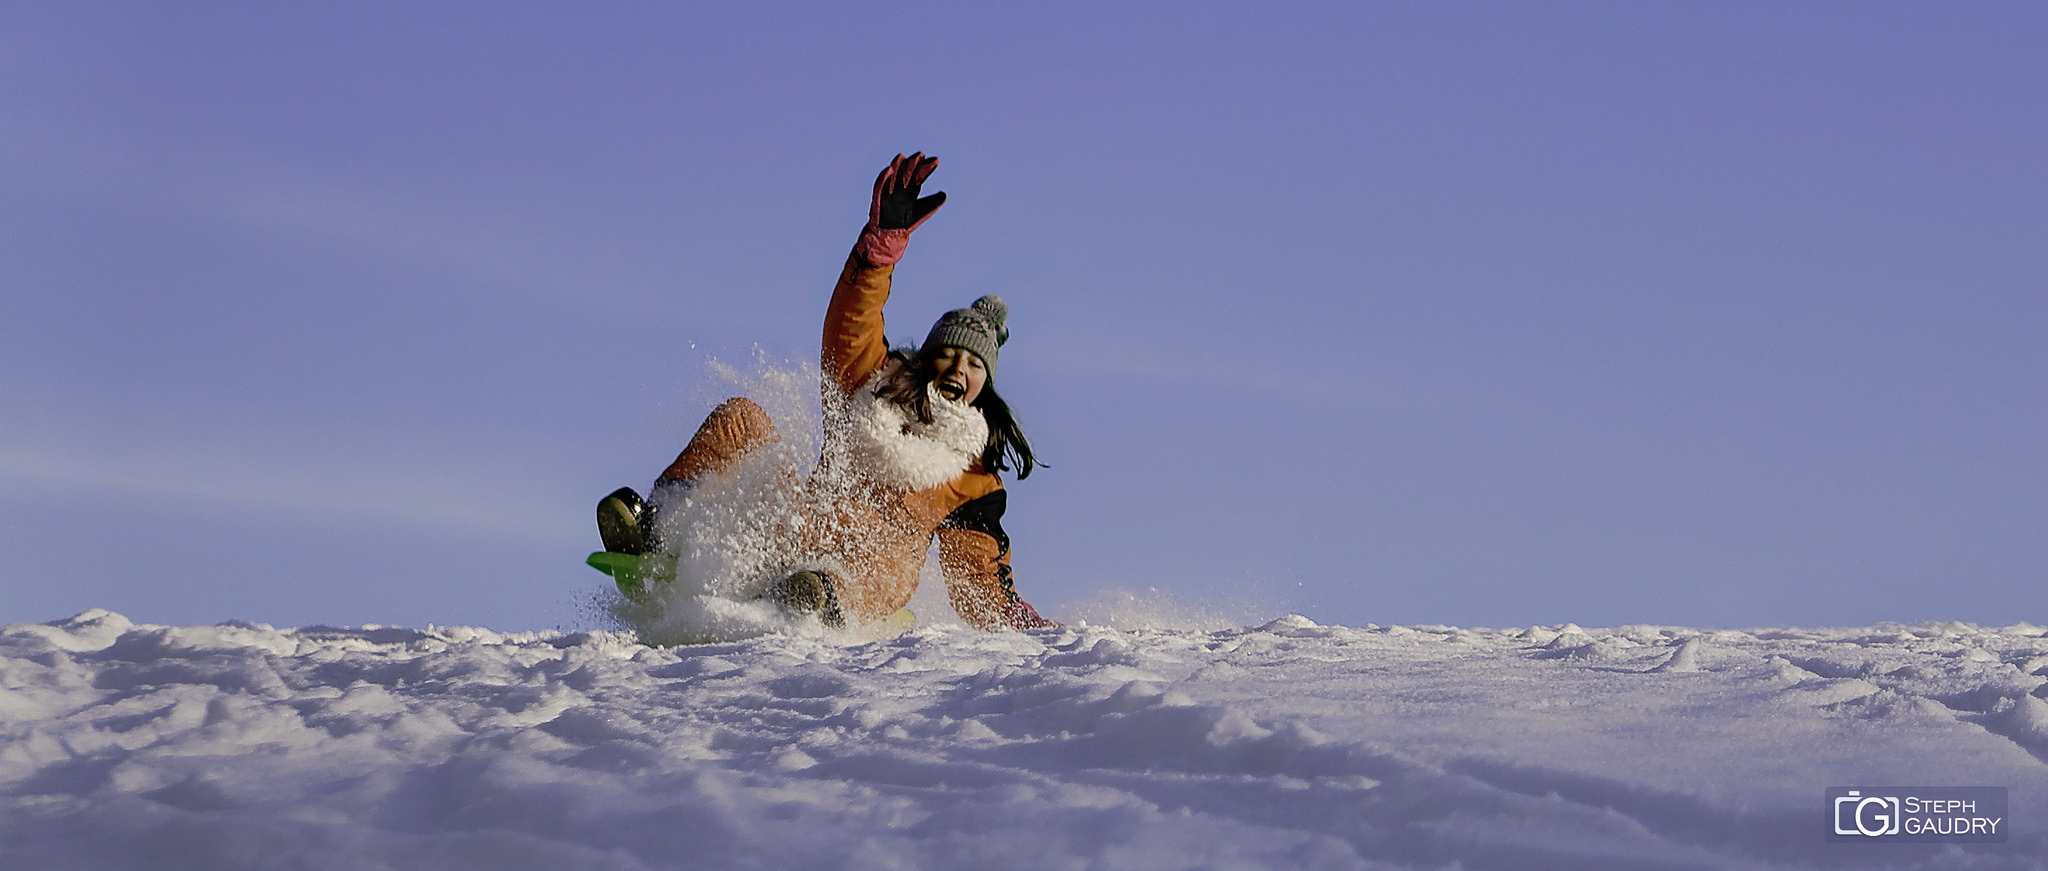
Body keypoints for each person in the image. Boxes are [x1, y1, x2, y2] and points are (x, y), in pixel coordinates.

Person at [595, 153, 1056, 632]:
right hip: (796, 527)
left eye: (975, 363)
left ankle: (816, 594)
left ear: (985, 384)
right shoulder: (873, 386)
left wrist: (1031, 633)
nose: (960, 367)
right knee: (743, 418)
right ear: (928, 358)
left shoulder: (973, 477)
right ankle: (657, 532)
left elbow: (979, 578)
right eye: (950, 354)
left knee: (894, 563)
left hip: (863, 576)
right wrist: (879, 250)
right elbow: (851, 325)